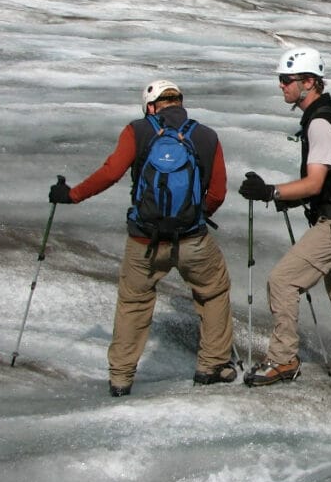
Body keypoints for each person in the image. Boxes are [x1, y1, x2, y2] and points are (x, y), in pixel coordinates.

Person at [48, 80, 236, 396]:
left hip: (143, 241)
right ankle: (212, 366)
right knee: (213, 292)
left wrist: (72, 195)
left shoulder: (137, 130)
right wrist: (195, 215)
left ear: (150, 106)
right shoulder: (206, 136)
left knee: (134, 303)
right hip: (193, 239)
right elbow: (217, 192)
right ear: (180, 103)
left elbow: (111, 172)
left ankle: (121, 378)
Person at [239, 47, 331, 386]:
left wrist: (272, 191)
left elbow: (315, 183)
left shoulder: (320, 122)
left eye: (287, 80)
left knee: (283, 281)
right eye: (281, 80)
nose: (282, 86)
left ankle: (283, 360)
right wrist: (290, 198)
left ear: (310, 81)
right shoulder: (330, 115)